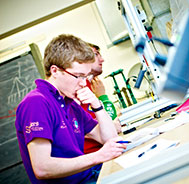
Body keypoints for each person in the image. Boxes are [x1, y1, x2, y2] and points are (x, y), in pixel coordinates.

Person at [15, 34, 126, 184]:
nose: (83, 83)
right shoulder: (36, 103)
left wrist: (96, 103)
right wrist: (98, 156)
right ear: (55, 71)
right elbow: (42, 168)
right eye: (78, 76)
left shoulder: (69, 102)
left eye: (85, 77)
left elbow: (109, 139)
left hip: (89, 176)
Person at [82, 43, 121, 154]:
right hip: (94, 155)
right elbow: (108, 124)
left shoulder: (89, 85)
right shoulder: (81, 88)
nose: (102, 59)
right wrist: (103, 97)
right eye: (96, 54)